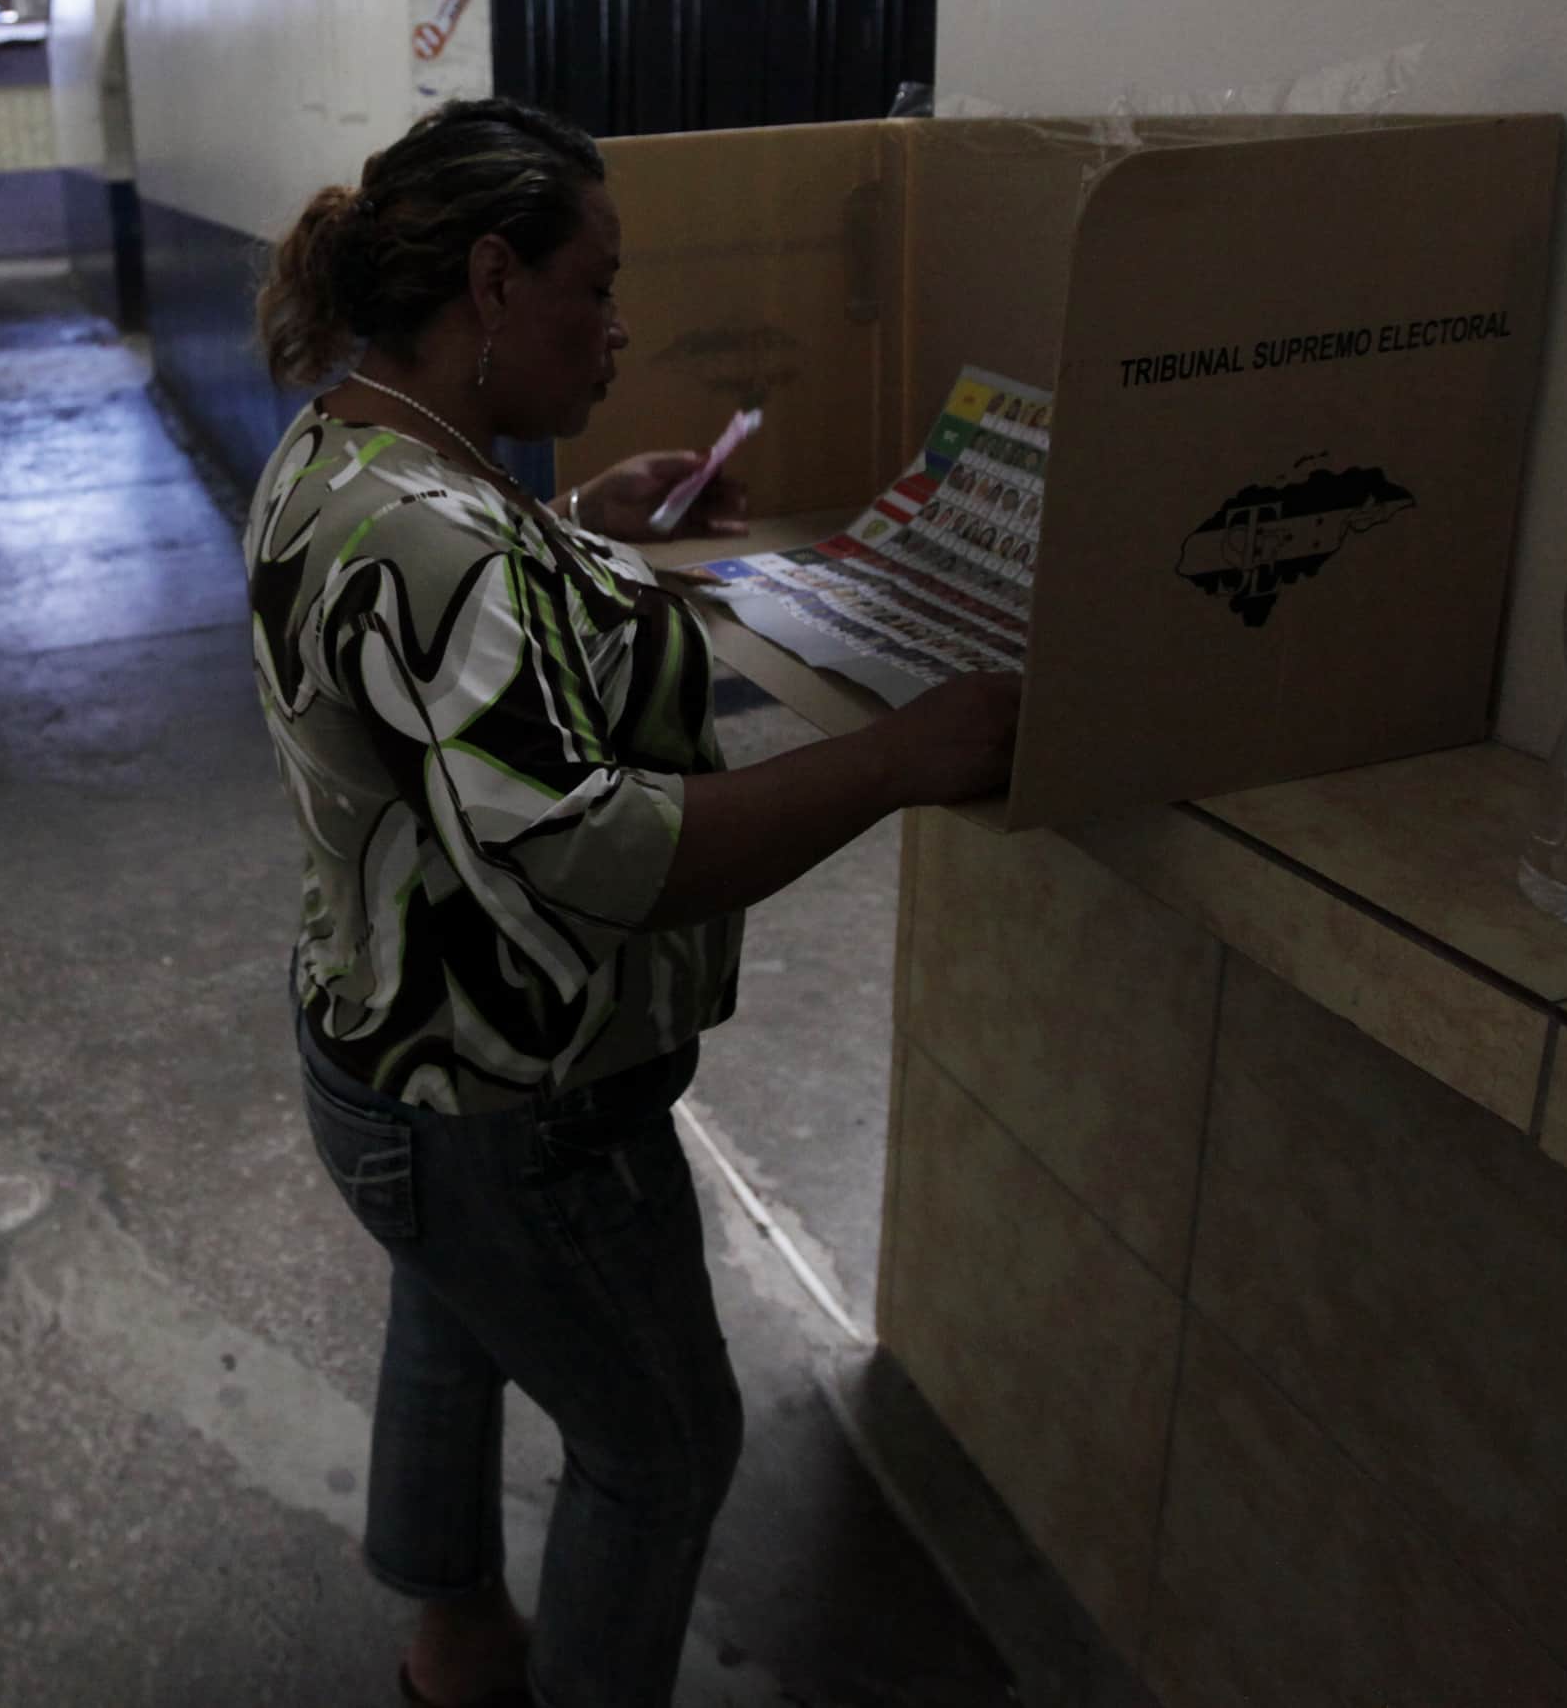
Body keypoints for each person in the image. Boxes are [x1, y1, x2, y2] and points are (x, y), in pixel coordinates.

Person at [243, 99, 1020, 1708]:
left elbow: (444, 608)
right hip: (507, 1092)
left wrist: (576, 531)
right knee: (662, 1448)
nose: (620, 329)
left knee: (456, 1321)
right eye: (597, 286)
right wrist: (894, 757)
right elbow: (600, 854)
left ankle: (456, 1640)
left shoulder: (348, 444)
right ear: (492, 281)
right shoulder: (436, 527)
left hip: (381, 1039)